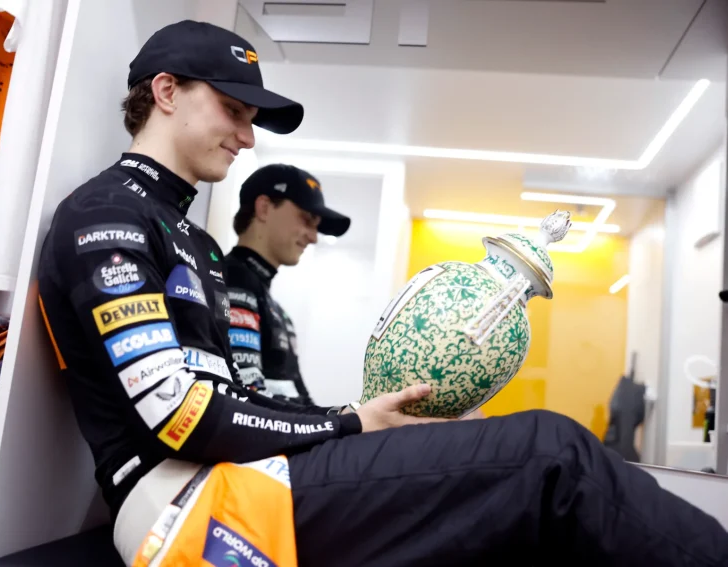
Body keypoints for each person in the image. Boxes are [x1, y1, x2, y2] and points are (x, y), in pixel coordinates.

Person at [36, 19, 728, 567]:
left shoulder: (194, 240)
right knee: (549, 453)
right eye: (233, 110)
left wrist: (361, 417)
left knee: (512, 490)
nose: (247, 136)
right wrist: (350, 424)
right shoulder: (103, 215)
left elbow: (236, 397)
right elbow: (179, 417)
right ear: (165, 92)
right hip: (181, 504)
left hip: (232, 472)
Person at [223, 164, 350, 405]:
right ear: (264, 207)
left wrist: (345, 419)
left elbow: (301, 400)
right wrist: (343, 421)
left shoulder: (277, 311)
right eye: (307, 219)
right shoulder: (232, 280)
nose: (313, 237)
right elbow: (247, 398)